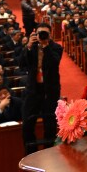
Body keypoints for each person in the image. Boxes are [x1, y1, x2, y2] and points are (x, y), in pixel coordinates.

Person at [22, 22, 62, 155]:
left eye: (45, 33)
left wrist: (46, 46)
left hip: (50, 90)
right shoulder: (31, 47)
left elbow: (54, 62)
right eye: (40, 33)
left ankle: (49, 153)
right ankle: (31, 153)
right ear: (35, 34)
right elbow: (22, 63)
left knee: (50, 124)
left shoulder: (56, 47)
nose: (43, 35)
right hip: (33, 89)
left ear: (50, 35)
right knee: (27, 124)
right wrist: (28, 46)